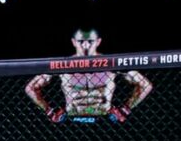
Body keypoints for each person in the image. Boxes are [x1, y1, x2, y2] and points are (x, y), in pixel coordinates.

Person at [25, 29, 153, 123]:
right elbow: (31, 88)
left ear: (98, 42)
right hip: (71, 121)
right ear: (74, 42)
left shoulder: (111, 64)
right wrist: (49, 111)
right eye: (81, 41)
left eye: (90, 41)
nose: (85, 45)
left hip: (104, 121)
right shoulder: (62, 65)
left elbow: (145, 85)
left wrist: (125, 109)